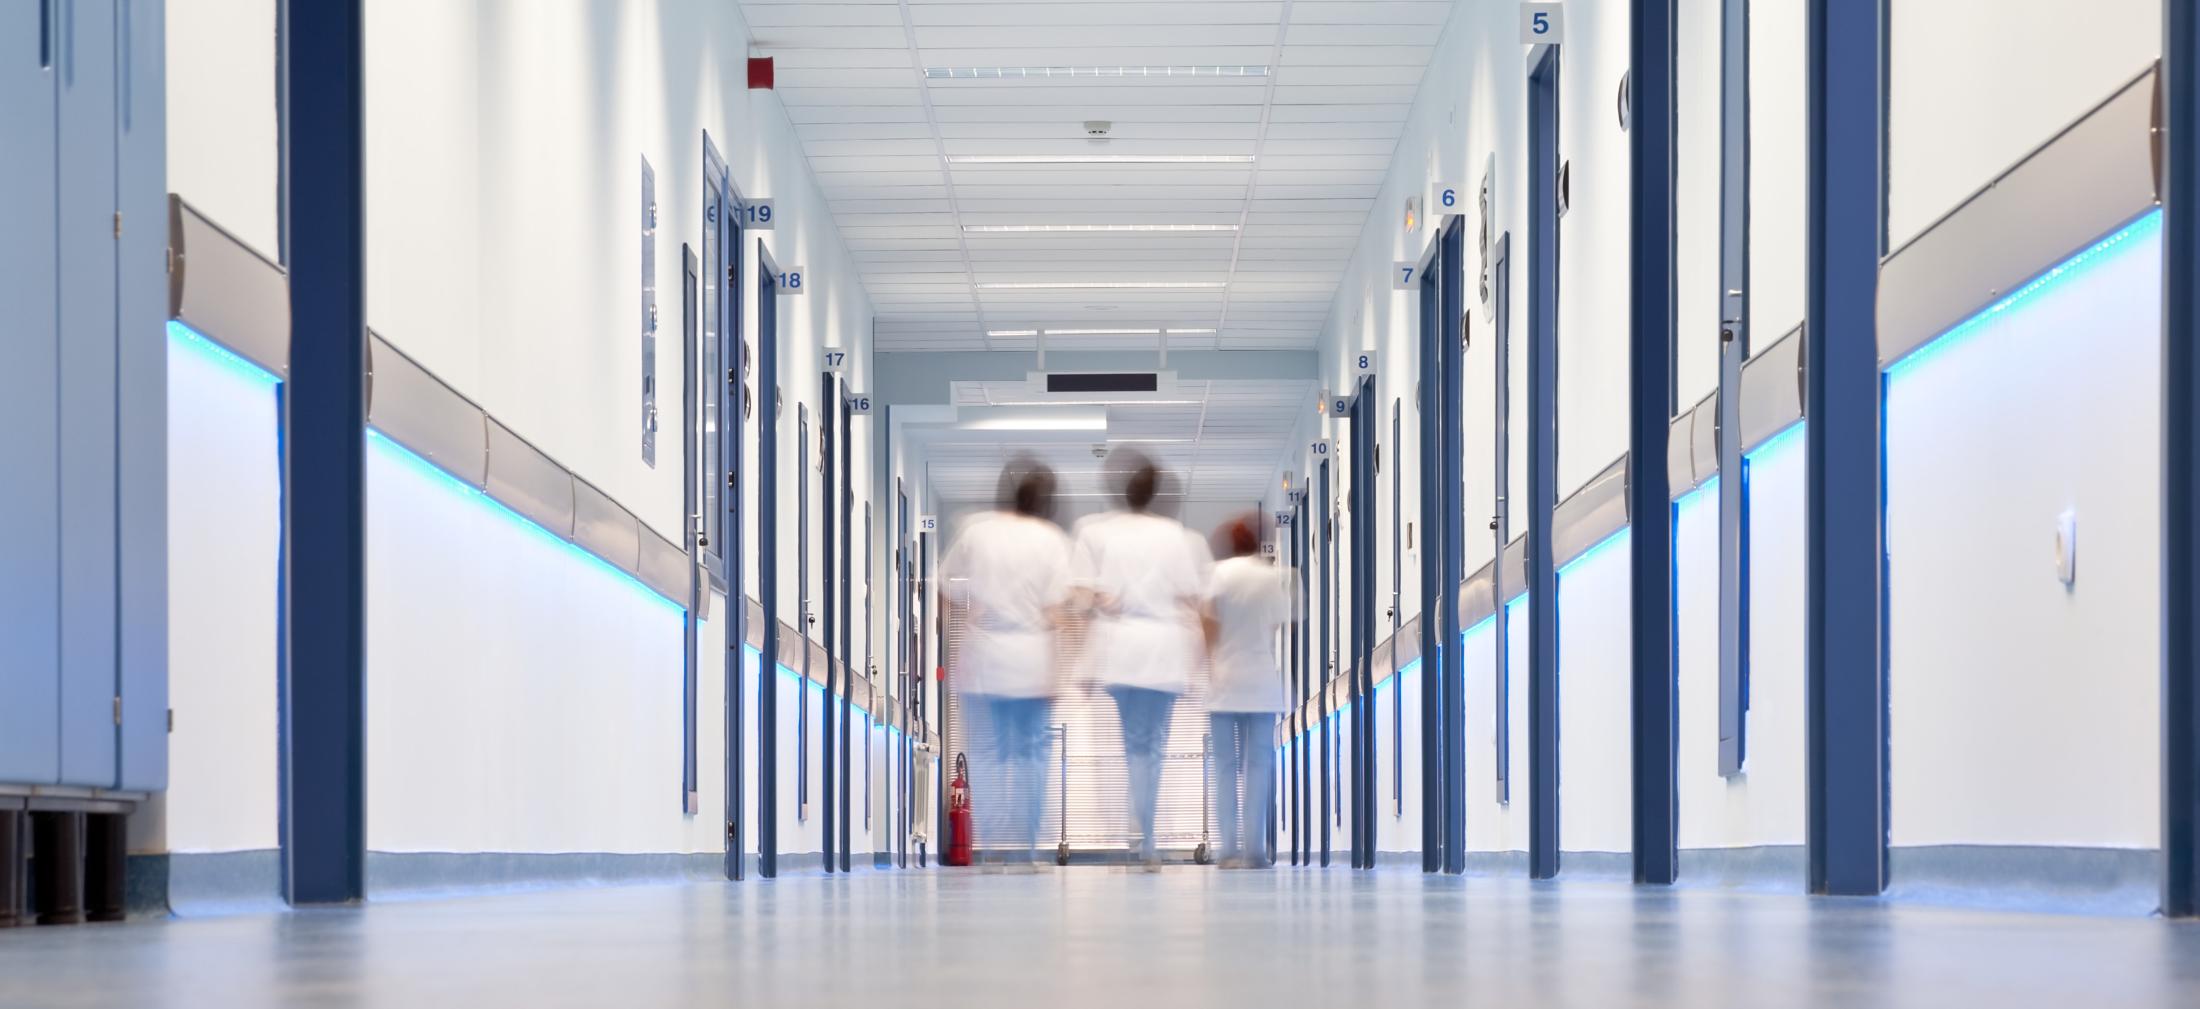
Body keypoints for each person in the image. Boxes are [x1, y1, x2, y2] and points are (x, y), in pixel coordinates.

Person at [1070, 452, 1213, 870]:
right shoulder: (1178, 536)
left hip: (1119, 650)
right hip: (1163, 651)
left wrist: (1101, 606)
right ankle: (1147, 841)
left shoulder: (1094, 532)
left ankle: (1133, 838)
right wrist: (1198, 663)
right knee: (1153, 746)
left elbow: (1081, 596)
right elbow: (1193, 602)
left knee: (1130, 746)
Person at [939, 459, 1073, 870]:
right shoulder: (1051, 540)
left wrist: (967, 619)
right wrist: (1059, 670)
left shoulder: (977, 531)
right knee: (1032, 756)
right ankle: (1027, 850)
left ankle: (995, 847)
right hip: (1031, 658)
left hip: (984, 657)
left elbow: (945, 591)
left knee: (987, 755)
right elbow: (1056, 613)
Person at [1202, 515, 1297, 869]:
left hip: (1224, 682)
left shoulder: (1218, 575)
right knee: (1258, 766)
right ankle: (1255, 849)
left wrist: (1209, 663)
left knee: (1226, 768)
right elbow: (1275, 626)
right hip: (1260, 682)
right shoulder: (1273, 578)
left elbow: (1208, 627)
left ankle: (1228, 849)